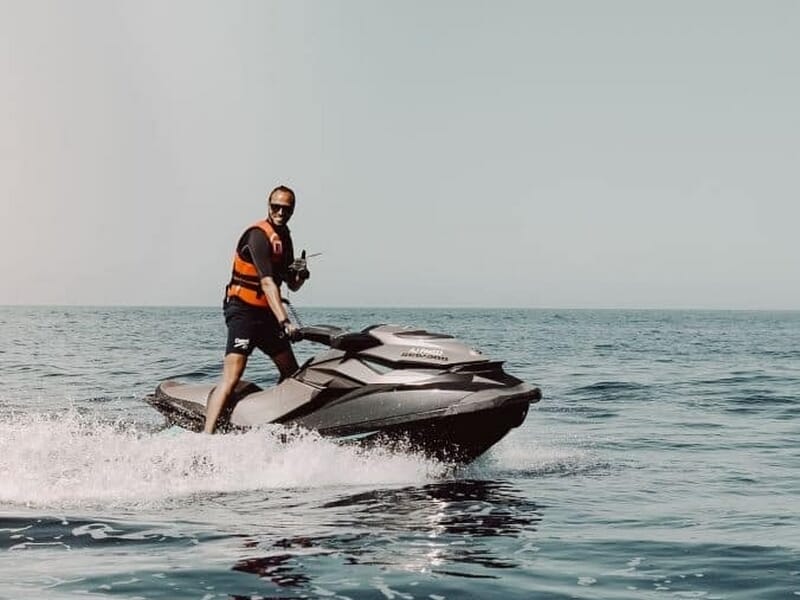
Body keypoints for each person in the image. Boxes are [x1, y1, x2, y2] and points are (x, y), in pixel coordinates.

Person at [203, 185, 310, 433]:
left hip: (266, 315)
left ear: (293, 210)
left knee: (291, 373)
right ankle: (205, 439)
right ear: (268, 205)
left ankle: (274, 424)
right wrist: (284, 321)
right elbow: (266, 282)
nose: (281, 212)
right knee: (232, 376)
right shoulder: (258, 236)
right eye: (276, 206)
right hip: (243, 312)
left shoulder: (285, 240)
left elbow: (291, 286)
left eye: (286, 208)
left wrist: (301, 275)